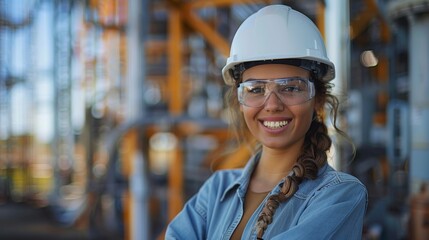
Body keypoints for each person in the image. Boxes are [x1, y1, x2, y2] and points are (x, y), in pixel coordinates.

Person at [166, 4, 367, 240]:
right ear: (240, 101)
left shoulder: (339, 196)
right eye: (256, 89)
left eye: (291, 87)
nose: (271, 104)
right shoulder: (217, 190)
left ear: (317, 99)